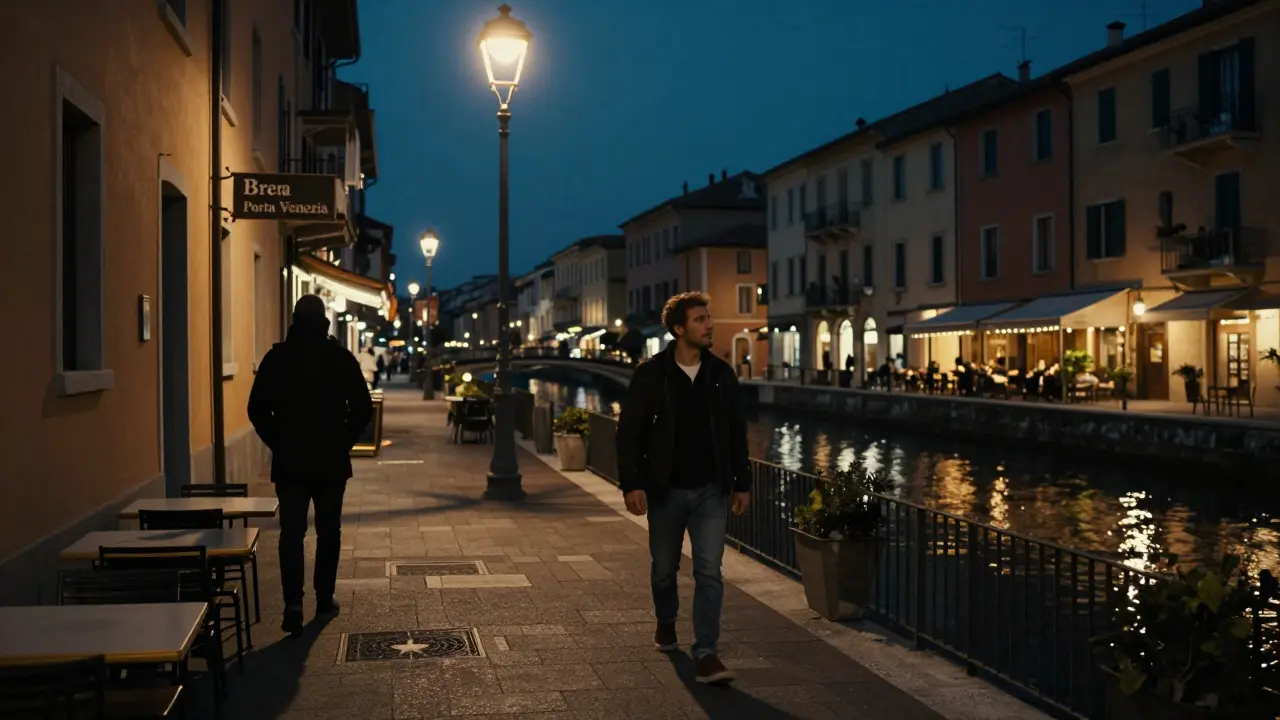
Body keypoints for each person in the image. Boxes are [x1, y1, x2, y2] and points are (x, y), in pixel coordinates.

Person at [615, 291, 751, 684]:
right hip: (665, 491)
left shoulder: (721, 374)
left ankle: (706, 652)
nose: (709, 325)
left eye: (709, 318)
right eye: (700, 320)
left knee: (709, 571)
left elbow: (736, 432)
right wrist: (632, 485)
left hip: (711, 490)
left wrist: (742, 483)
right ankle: (666, 620)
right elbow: (629, 434)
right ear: (678, 329)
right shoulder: (651, 374)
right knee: (663, 570)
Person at [248, 294, 374, 636]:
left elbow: (257, 410)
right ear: (324, 322)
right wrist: (342, 440)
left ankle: (293, 603)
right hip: (330, 462)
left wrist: (279, 441)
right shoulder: (340, 358)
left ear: (294, 320)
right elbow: (363, 409)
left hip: (290, 461)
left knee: (292, 533)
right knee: (328, 531)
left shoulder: (278, 359)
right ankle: (323, 597)